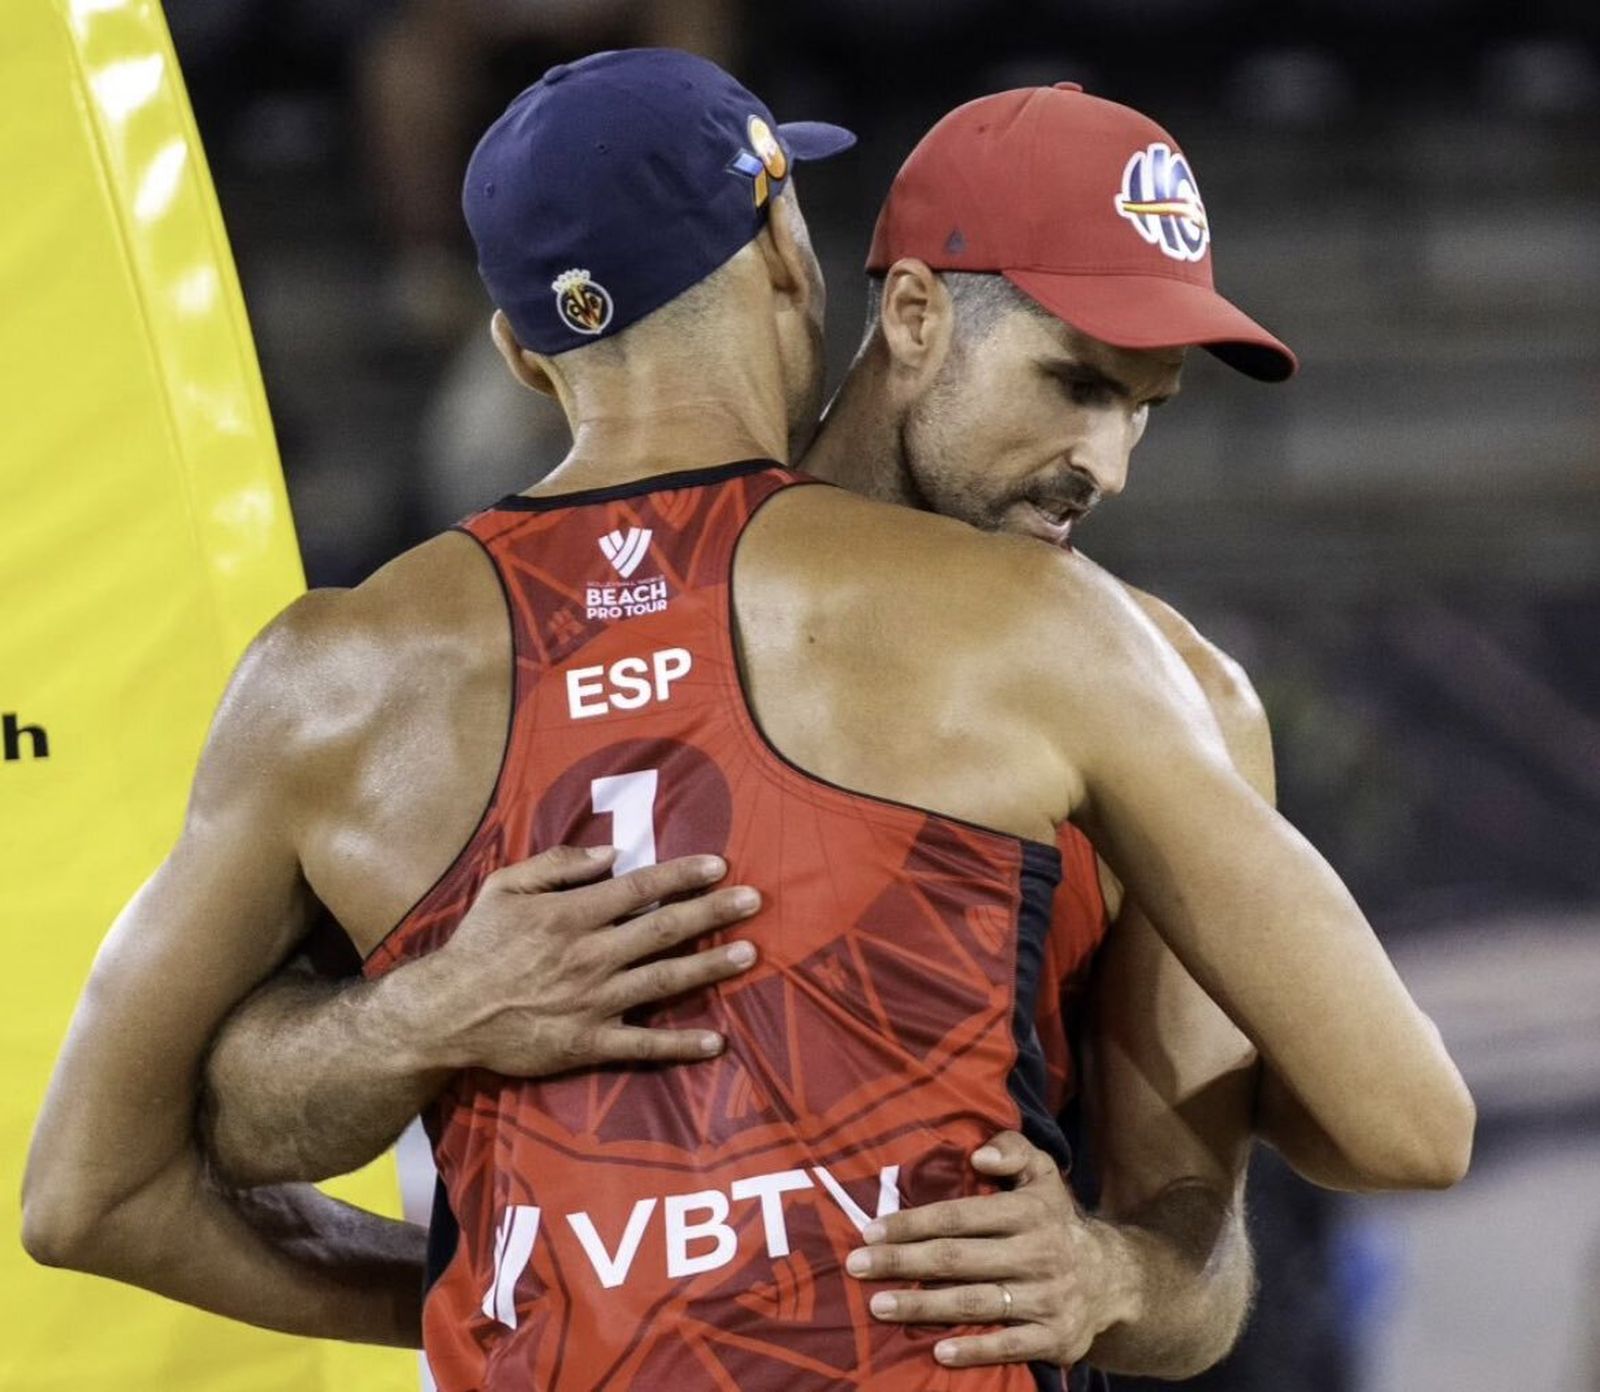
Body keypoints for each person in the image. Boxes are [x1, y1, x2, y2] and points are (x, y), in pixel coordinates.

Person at [24, 53, 1473, 1390]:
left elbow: (1208, 1242)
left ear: (521, 351)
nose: (1109, 462)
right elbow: (1409, 1121)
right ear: (813, 269)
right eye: (1077, 384)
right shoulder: (1080, 652)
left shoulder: (347, 678)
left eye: (1146, 408)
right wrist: (429, 1060)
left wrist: (1116, 1272)